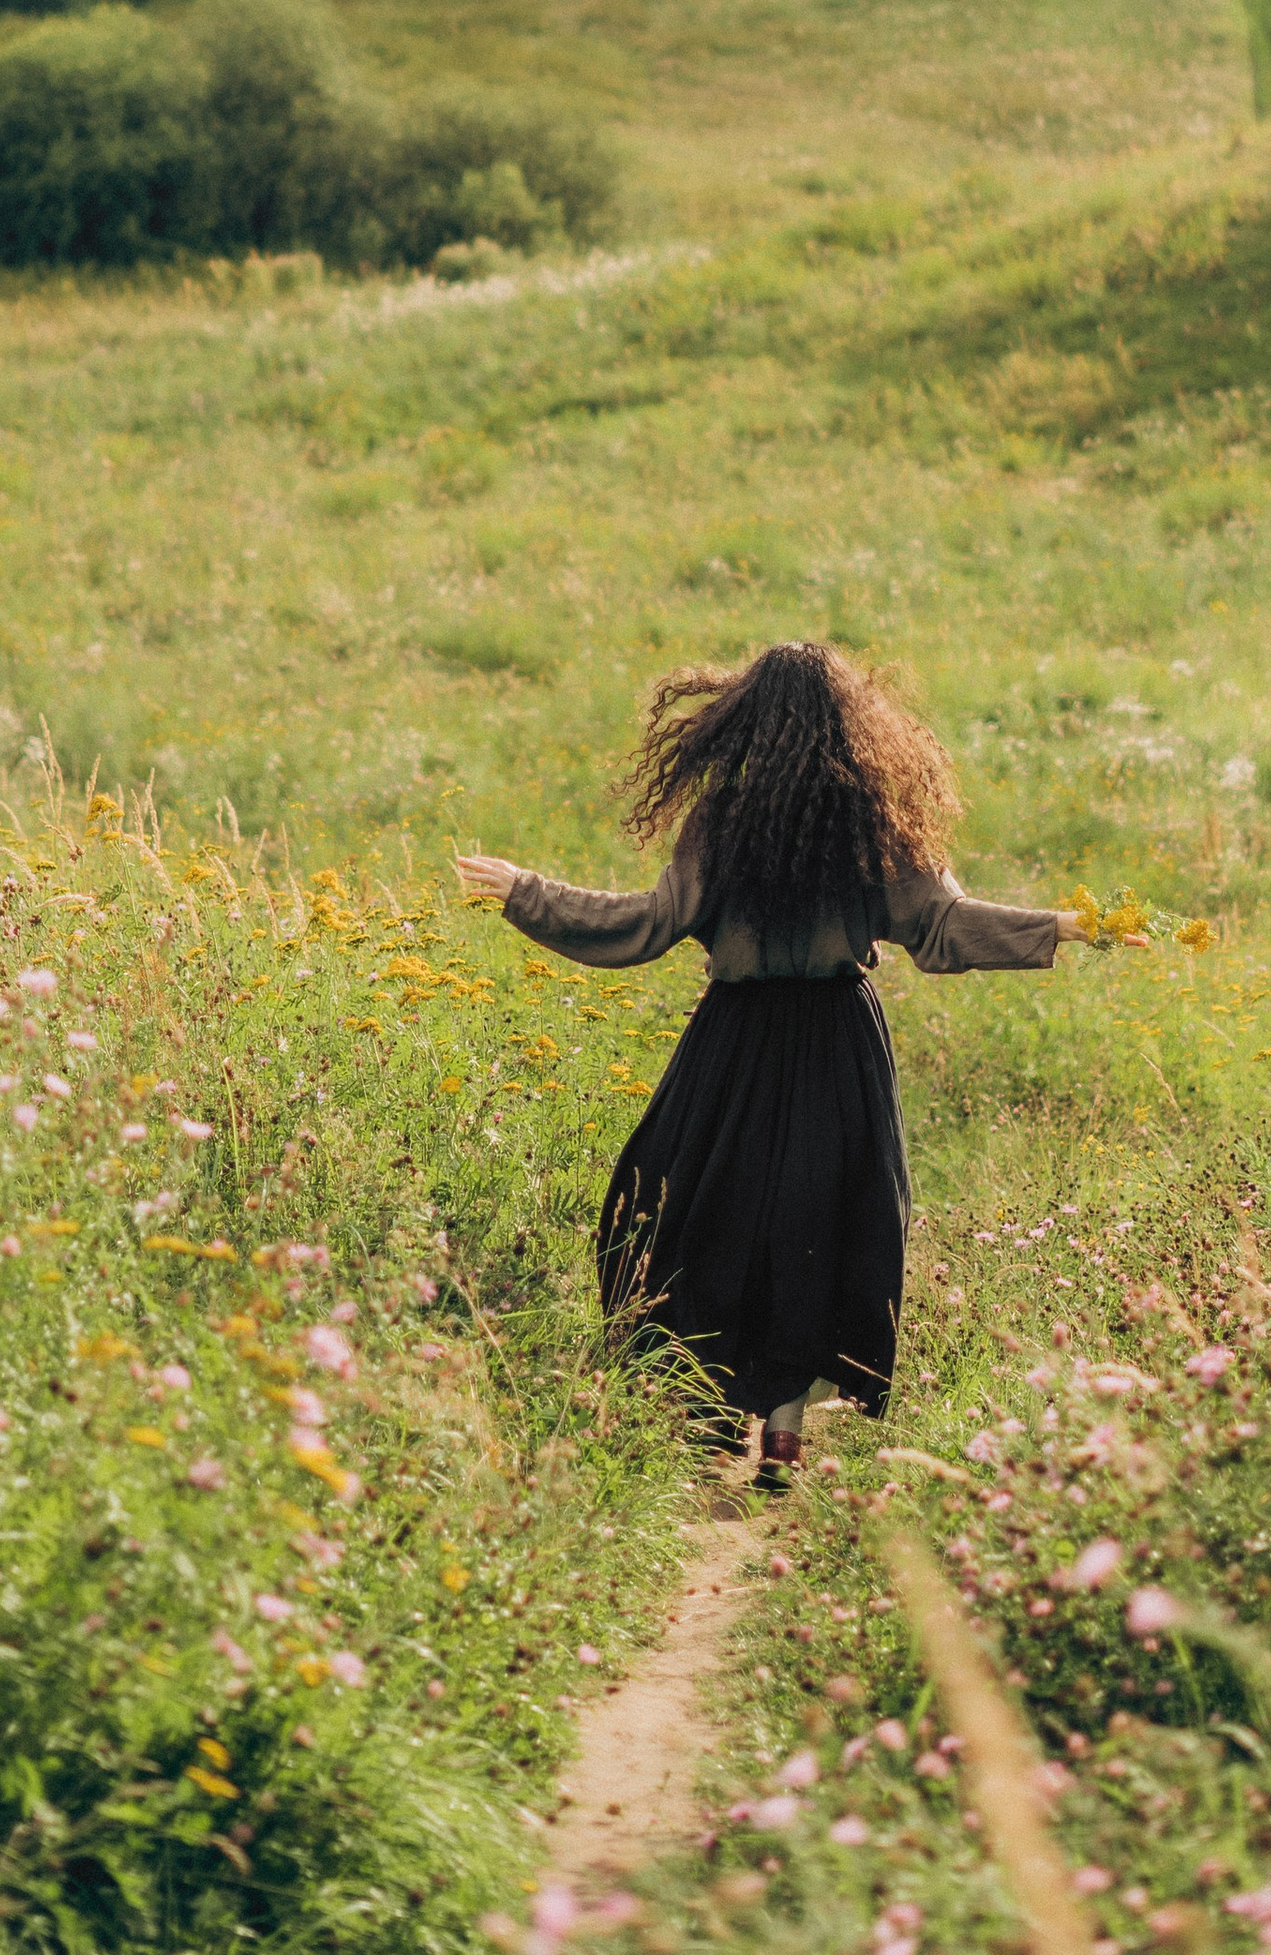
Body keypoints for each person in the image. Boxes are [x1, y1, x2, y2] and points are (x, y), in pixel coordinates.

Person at [453, 640, 1141, 1493]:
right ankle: (781, 1438)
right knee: (818, 1224)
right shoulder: (876, 823)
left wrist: (528, 890)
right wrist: (1068, 926)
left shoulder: (723, 819)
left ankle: (707, 1420)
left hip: (734, 1043)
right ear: (855, 724)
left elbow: (646, 925)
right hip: (838, 1044)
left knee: (686, 1214)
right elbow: (944, 927)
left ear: (739, 720)